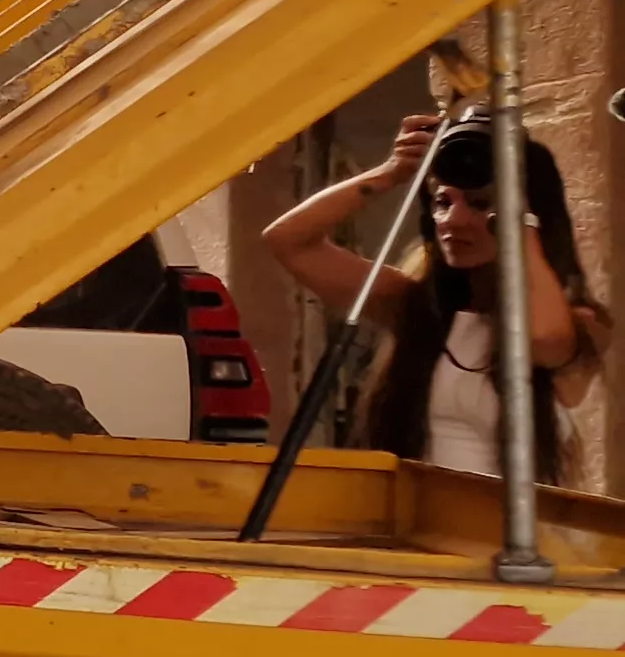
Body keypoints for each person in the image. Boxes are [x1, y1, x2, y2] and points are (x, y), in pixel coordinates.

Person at [259, 110, 604, 478]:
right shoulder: (417, 304)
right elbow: (289, 242)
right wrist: (391, 172)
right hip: (417, 521)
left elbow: (544, 338)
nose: (453, 220)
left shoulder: (581, 320)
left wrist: (520, 220)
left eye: (481, 203)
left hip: (511, 528)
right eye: (442, 202)